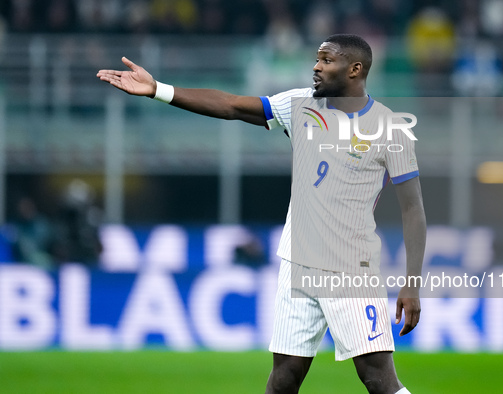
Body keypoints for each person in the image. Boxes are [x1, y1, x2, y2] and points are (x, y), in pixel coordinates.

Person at [98, 34, 426, 394]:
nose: (316, 67)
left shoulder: (390, 128)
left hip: (349, 269)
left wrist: (411, 282)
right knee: (284, 377)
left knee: (378, 379)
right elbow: (232, 105)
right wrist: (159, 89)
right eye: (317, 59)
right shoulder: (301, 105)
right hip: (296, 263)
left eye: (326, 60)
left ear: (355, 69)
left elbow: (412, 210)